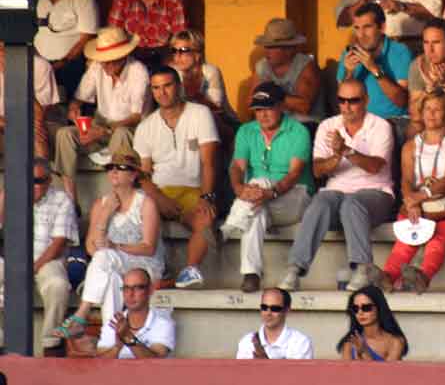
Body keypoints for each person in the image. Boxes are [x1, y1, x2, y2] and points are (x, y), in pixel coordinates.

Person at [279, 79, 395, 292]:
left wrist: (348, 151)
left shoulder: (380, 126)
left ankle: (362, 269)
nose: (346, 106)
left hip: (376, 193)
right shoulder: (327, 126)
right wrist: (336, 155)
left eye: (353, 101)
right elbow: (317, 170)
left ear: (366, 101)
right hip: (337, 192)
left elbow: (375, 167)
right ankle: (294, 270)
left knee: (352, 204)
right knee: (319, 202)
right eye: (341, 100)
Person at [54, 146, 164, 339]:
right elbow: (90, 247)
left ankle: (81, 315)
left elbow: (149, 247)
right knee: (111, 279)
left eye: (121, 167)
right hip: (111, 265)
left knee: (105, 256)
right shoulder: (101, 204)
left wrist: (116, 247)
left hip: (144, 265)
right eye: (110, 167)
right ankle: (110, 340)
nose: (113, 171)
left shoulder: (146, 203)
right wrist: (105, 214)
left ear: (133, 175)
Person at [132, 66, 219, 289]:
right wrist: (160, 199)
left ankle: (189, 271)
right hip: (159, 191)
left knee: (205, 219)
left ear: (178, 87)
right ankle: (155, 272)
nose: (162, 93)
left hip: (192, 189)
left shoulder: (200, 113)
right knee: (138, 212)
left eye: (167, 86)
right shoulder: (145, 126)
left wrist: (206, 196)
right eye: (156, 88)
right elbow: (143, 175)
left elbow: (209, 162)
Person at [223, 82, 313, 293]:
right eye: (258, 110)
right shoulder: (246, 130)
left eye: (268, 108)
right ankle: (251, 274)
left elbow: (293, 174)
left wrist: (270, 191)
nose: (263, 115)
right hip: (259, 201)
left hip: (295, 197)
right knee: (257, 208)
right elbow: (237, 166)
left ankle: (228, 228)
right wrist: (238, 188)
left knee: (259, 184)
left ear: (282, 106)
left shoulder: (298, 131)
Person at [381, 91, 445, 293]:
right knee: (406, 239)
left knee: (438, 239)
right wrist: (412, 203)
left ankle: (424, 276)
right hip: (419, 204)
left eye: (437, 109)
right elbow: (405, 180)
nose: (431, 114)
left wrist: (418, 198)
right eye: (427, 109)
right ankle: (387, 277)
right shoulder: (411, 145)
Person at [54, 26, 150, 202]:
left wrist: (105, 130)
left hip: (130, 128)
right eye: (103, 60)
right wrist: (74, 109)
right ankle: (71, 200)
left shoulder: (139, 71)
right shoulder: (98, 67)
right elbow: (79, 98)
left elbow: (136, 117)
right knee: (64, 134)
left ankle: (119, 198)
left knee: (121, 134)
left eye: (110, 60)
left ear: (123, 57)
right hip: (101, 124)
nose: (105, 65)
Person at [0, 158, 78, 356]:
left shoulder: (61, 199)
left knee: (58, 285)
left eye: (40, 181)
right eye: (31, 180)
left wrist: (33, 267)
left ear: (49, 180)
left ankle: (51, 343)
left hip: (47, 259)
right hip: (11, 259)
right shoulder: (12, 197)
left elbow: (59, 243)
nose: (35, 185)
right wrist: (4, 197)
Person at [34, 0, 99, 101]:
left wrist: (61, 63)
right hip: (36, 61)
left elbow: (87, 37)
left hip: (69, 63)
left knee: (74, 71)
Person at [337, 2, 411, 121]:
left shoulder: (400, 51)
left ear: (382, 27)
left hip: (392, 121)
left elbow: (402, 101)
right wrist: (349, 73)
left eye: (367, 27)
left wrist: (374, 68)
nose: (361, 35)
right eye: (357, 28)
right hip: (358, 121)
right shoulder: (348, 53)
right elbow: (343, 102)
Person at [335, 0, 443, 51]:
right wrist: (361, 2)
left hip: (415, 45)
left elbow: (435, 15)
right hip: (371, 48)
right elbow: (342, 21)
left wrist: (401, 6)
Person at [251, 18, 324, 131]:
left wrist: (271, 95)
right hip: (272, 123)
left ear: (288, 49)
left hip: (305, 124)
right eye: (266, 46)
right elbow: (251, 101)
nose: (266, 51)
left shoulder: (306, 67)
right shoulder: (262, 66)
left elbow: (304, 106)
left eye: (272, 47)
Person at [167, 29, 239, 138]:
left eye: (183, 50)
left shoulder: (210, 72)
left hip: (224, 125)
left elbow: (215, 107)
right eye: (174, 51)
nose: (178, 56)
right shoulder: (173, 73)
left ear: (197, 54)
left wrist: (196, 96)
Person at [96, 268, 175, 359]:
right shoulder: (113, 322)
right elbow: (100, 362)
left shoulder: (163, 323)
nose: (130, 294)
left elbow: (156, 362)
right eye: (126, 288)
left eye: (138, 288)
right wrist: (117, 348)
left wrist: (128, 338)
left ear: (150, 290)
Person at [0, 44, 60, 159]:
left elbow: (39, 115)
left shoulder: (40, 66)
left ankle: (41, 176)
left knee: (36, 133)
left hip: (29, 121)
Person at [235, 288, 313, 359]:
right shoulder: (247, 342)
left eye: (275, 308)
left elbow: (297, 374)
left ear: (287, 311)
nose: (268, 313)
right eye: (264, 307)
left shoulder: (301, 342)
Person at [337, 285, 408, 361]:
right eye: (355, 309)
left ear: (379, 308)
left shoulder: (394, 342)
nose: (360, 312)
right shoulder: (350, 344)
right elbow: (346, 372)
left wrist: (364, 352)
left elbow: (387, 372)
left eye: (366, 308)